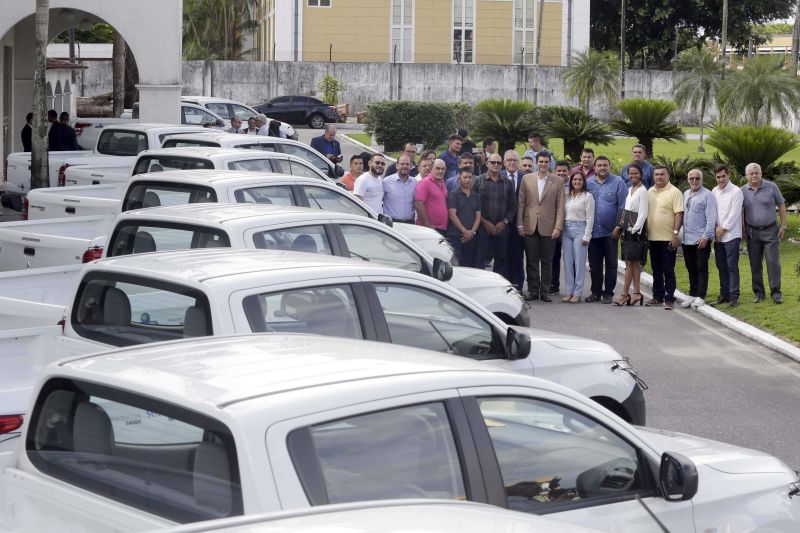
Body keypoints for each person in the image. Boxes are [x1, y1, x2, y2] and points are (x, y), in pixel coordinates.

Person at [516, 152, 565, 302]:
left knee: (547, 261)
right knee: (531, 260)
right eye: (541, 161)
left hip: (549, 227)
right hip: (529, 225)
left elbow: (560, 207)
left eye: (546, 162)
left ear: (550, 163)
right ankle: (532, 290)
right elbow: (521, 203)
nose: (543, 164)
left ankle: (545, 292)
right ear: (537, 163)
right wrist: (519, 223)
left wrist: (558, 227)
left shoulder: (558, 181)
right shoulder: (526, 179)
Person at [741, 162, 788, 304]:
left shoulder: (771, 187)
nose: (754, 175)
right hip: (752, 232)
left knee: (773, 262)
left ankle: (776, 292)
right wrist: (743, 229)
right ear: (746, 175)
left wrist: (783, 226)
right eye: (751, 173)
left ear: (761, 174)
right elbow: (740, 211)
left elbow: (781, 205)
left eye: (757, 173)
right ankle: (759, 293)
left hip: (770, 230)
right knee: (755, 264)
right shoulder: (742, 190)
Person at [585, 156, 627, 303]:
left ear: (609, 166)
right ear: (594, 167)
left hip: (611, 233)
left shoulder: (618, 183)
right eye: (599, 165)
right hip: (593, 232)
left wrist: (619, 228)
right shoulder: (588, 183)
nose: (602, 168)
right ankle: (595, 292)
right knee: (594, 264)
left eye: (605, 165)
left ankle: (608, 293)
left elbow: (624, 207)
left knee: (611, 264)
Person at [646, 165, 684, 310]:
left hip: (668, 239)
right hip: (652, 238)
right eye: (657, 174)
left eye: (662, 174)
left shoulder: (675, 192)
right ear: (653, 176)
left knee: (668, 269)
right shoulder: (649, 191)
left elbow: (679, 214)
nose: (659, 177)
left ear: (668, 175)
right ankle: (657, 296)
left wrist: (675, 235)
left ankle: (669, 298)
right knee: (656, 269)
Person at [474, 153, 517, 280]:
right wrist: (483, 222)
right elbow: (473, 205)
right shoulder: (478, 181)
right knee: (479, 261)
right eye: (493, 162)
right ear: (487, 163)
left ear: (502, 164)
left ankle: (498, 287)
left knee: (501, 261)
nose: (496, 165)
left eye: (498, 163)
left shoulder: (507, 183)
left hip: (501, 230)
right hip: (482, 228)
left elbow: (512, 206)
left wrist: (504, 222)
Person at [680, 168, 717, 309]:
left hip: (701, 238)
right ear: (688, 180)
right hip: (686, 238)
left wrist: (706, 236)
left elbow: (711, 218)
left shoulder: (708, 195)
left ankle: (701, 295)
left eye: (697, 178)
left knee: (701, 267)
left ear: (701, 180)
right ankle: (692, 293)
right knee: (691, 267)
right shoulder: (686, 194)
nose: (694, 181)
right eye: (692, 178)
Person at [613, 163, 649, 306]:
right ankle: (636, 293)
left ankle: (624, 294)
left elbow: (643, 213)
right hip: (627, 230)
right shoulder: (629, 190)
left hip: (636, 232)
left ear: (640, 174)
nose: (633, 176)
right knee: (632, 264)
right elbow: (626, 210)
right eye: (631, 174)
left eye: (636, 173)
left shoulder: (643, 191)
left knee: (631, 263)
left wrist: (633, 230)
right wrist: (621, 228)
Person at [712, 164, 744, 308]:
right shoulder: (714, 191)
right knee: (721, 266)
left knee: (732, 266)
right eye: (718, 177)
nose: (721, 179)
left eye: (723, 176)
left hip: (731, 235)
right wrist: (716, 229)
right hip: (718, 236)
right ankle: (724, 295)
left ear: (728, 175)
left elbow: (734, 214)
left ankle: (734, 296)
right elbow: (713, 212)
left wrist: (723, 229)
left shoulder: (736, 191)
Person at [561, 170, 595, 303]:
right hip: (566, 230)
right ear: (571, 181)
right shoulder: (567, 196)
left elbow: (590, 217)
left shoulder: (587, 197)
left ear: (584, 182)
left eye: (580, 180)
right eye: (574, 179)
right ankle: (569, 291)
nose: (577, 182)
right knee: (567, 263)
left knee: (579, 263)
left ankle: (577, 292)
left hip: (580, 230)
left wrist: (587, 235)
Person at [446, 168, 481, 267]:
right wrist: (464, 231)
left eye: (470, 177)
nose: (467, 180)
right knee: (456, 264)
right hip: (456, 236)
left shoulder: (476, 196)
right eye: (464, 177)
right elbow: (452, 214)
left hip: (471, 236)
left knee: (469, 264)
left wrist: (471, 232)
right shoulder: (453, 194)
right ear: (459, 178)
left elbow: (478, 216)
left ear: (473, 179)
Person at [502, 150, 526, 291]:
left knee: (518, 256)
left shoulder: (526, 178)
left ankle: (518, 287)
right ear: (504, 162)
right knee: (503, 257)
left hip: (519, 224)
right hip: (502, 224)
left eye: (514, 160)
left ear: (519, 163)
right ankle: (505, 287)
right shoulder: (499, 176)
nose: (512, 162)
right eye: (509, 160)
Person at [550, 160, 572, 294]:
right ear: (554, 172)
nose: (561, 173)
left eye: (564, 171)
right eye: (559, 171)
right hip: (555, 226)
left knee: (571, 259)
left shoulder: (576, 184)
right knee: (554, 257)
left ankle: (572, 288)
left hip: (571, 227)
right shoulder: (551, 185)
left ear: (569, 172)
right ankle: (554, 285)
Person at [415, 159, 449, 234]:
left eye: (443, 169)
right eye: (437, 168)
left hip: (441, 228)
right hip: (428, 229)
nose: (440, 171)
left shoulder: (443, 183)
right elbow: (418, 204)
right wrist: (428, 225)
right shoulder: (424, 182)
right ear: (431, 169)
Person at [382, 154, 417, 223]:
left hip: (410, 223)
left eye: (407, 164)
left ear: (410, 166)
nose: (405, 166)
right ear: (396, 166)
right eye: (402, 164)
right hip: (391, 223)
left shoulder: (415, 182)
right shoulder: (386, 181)